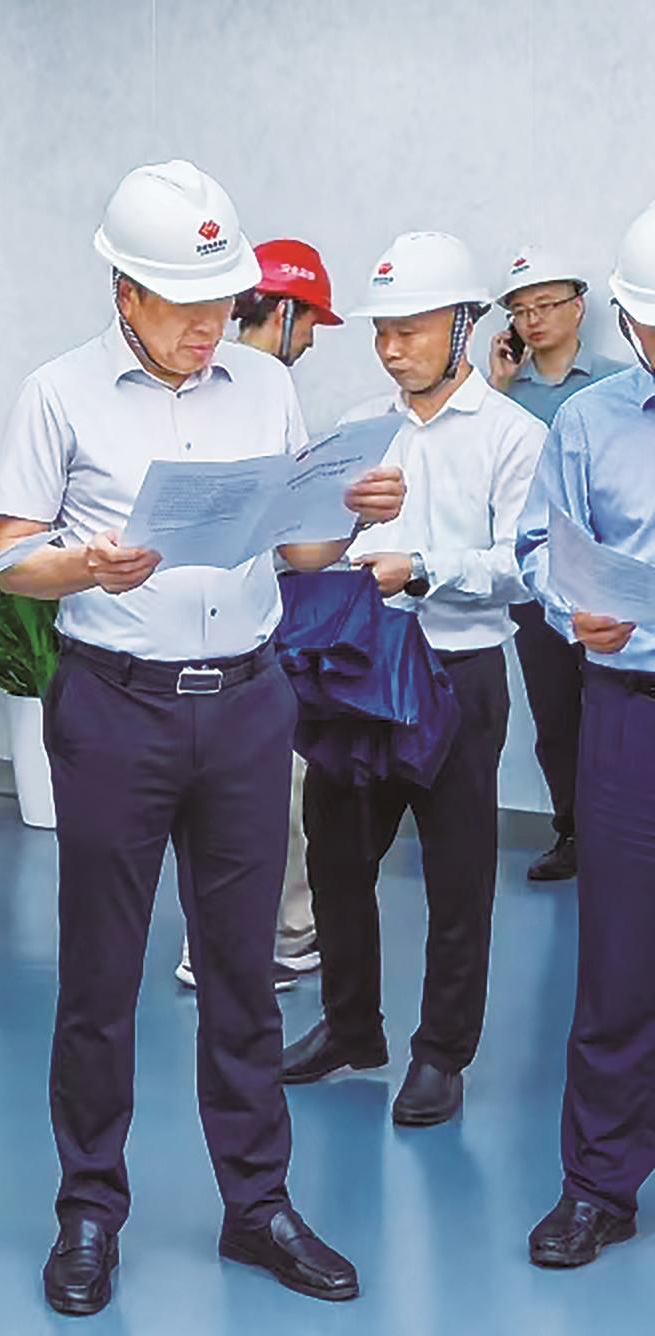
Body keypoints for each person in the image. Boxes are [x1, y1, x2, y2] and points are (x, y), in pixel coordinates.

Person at [0, 160, 406, 1313]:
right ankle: (88, 1208)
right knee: (100, 974)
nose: (207, 326)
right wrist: (82, 565)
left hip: (247, 704)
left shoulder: (263, 386)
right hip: (113, 704)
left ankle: (256, 1204)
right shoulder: (57, 393)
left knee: (243, 973)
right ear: (124, 292)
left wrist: (350, 511)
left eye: (221, 302)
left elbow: (299, 551)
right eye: (184, 305)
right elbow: (10, 555)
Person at [281, 232, 547, 1130]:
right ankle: (351, 1026)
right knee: (335, 856)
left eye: (411, 330)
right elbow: (313, 541)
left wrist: (423, 568)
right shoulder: (361, 426)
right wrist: (339, 532)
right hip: (359, 671)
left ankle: (441, 1055)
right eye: (381, 332)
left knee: (458, 874)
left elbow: (526, 566)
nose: (391, 350)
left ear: (464, 325)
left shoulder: (514, 437)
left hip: (456, 674)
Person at [517, 202, 655, 1269]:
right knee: (617, 958)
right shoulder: (587, 423)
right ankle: (599, 1185)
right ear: (628, 317)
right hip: (629, 710)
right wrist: (573, 611)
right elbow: (538, 546)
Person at [176, 238, 346, 990]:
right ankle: (271, 939)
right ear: (280, 313)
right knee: (272, 797)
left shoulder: (234, 391)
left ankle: (235, 940)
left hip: (230, 633)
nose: (310, 340)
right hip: (242, 643)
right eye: (308, 322)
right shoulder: (254, 390)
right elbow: (287, 535)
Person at [487, 248, 623, 882]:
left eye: (546, 304)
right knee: (555, 716)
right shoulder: (503, 396)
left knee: (618, 713)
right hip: (536, 579)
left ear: (579, 307)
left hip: (610, 576)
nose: (533, 319)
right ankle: (572, 833)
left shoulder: (617, 385)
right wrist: (495, 386)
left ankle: (622, 833)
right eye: (520, 310)